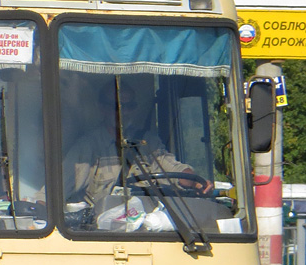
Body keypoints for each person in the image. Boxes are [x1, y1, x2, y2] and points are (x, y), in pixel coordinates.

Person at [64, 79, 210, 209]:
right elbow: (56, 191)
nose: (124, 112)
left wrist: (195, 182)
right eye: (118, 107)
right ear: (102, 108)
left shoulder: (148, 143)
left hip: (145, 227)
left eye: (130, 106)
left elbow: (173, 169)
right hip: (104, 231)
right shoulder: (87, 147)